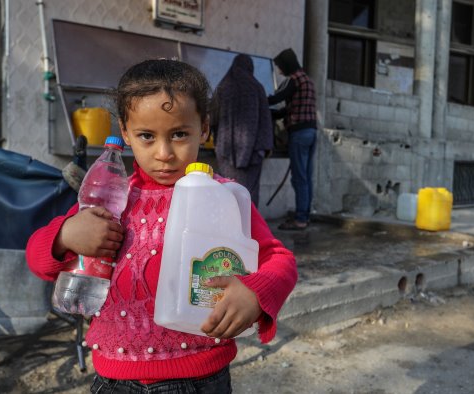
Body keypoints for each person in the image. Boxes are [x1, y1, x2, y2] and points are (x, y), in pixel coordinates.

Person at [26, 59, 297, 393]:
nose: (165, 153)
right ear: (125, 132)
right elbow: (37, 259)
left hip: (198, 380)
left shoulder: (225, 198)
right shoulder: (111, 200)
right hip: (112, 381)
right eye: (147, 136)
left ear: (205, 128)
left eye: (180, 134)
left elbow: (279, 258)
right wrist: (66, 234)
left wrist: (255, 291)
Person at [210, 54, 273, 206]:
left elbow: (213, 118)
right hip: (253, 153)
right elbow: (266, 120)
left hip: (226, 151)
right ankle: (251, 228)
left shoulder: (223, 86)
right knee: (249, 194)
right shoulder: (257, 87)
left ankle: (230, 227)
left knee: (229, 191)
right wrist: (265, 147)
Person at [268, 48, 317, 231]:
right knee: (306, 177)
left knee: (299, 178)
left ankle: (300, 219)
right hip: (311, 132)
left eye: (280, 67)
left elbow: (277, 99)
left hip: (299, 134)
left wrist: (258, 101)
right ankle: (305, 215)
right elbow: (292, 108)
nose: (280, 72)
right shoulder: (308, 81)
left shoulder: (294, 80)